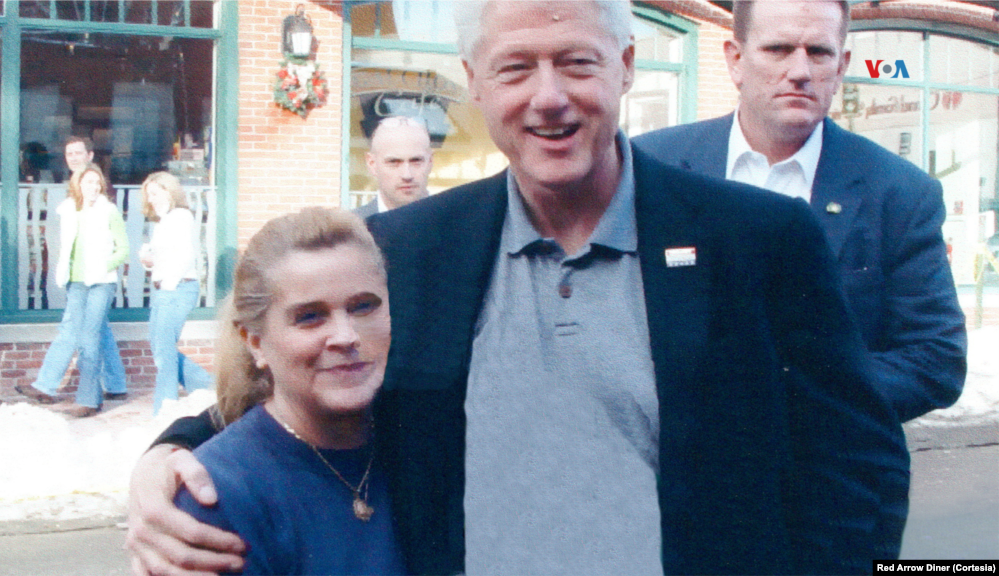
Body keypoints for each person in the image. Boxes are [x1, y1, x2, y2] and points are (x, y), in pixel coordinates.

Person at [125, 1, 909, 574]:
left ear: (626, 67)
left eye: (576, 62)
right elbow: (306, 391)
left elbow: (858, 462)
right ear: (474, 82)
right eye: (515, 67)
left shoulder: (758, 240)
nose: (548, 97)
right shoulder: (409, 250)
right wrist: (173, 456)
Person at [633, 0, 966, 554]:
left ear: (841, 65)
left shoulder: (898, 193)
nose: (800, 69)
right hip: (679, 502)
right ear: (735, 59)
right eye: (778, 49)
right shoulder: (653, 171)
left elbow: (935, 357)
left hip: (836, 509)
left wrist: (792, 390)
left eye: (818, 51)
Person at [173, 207, 407, 575]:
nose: (346, 336)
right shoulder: (220, 494)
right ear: (255, 342)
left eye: (364, 307)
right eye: (310, 316)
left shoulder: (424, 448)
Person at [16, 138, 128, 407]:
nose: (74, 157)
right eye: (69, 153)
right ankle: (115, 384)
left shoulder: (100, 191)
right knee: (98, 330)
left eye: (79, 153)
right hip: (77, 279)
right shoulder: (73, 194)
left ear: (91, 155)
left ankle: (50, 385)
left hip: (98, 279)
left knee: (79, 332)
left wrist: (101, 266)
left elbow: (118, 243)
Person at [139, 172, 213, 415]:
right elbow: (158, 258)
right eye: (148, 195)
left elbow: (185, 257)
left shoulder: (180, 216)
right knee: (161, 346)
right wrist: (147, 260)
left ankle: (165, 405)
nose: (151, 199)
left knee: (163, 348)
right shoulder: (164, 220)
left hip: (178, 288)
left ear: (170, 191)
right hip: (165, 289)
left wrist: (168, 284)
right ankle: (207, 386)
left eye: (156, 193)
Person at [353, 116, 433, 217]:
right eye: (393, 162)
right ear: (372, 164)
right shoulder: (348, 229)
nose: (407, 175)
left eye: (416, 161)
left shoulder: (455, 225)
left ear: (430, 161)